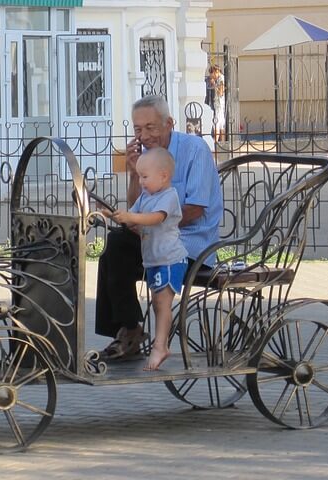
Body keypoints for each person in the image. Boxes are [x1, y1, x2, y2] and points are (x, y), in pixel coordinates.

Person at [95, 95, 222, 361]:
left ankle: (129, 331)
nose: (145, 136)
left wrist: (148, 224)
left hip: (191, 245)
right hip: (158, 240)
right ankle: (129, 328)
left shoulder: (194, 149)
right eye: (138, 129)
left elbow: (196, 209)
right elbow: (137, 207)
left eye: (151, 127)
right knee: (113, 249)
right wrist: (133, 174)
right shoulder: (149, 158)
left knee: (119, 246)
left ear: (169, 124)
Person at [105, 147, 188, 370]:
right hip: (153, 260)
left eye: (144, 177)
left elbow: (154, 219)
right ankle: (159, 344)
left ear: (163, 175)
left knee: (162, 303)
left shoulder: (169, 197)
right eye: (139, 176)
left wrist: (131, 216)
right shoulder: (146, 196)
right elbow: (131, 221)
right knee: (157, 305)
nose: (141, 182)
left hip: (170, 260)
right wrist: (108, 213)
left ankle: (160, 346)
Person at [208, 65, 225, 143]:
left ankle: (215, 142)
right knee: (221, 123)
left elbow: (220, 93)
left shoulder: (221, 79)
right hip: (219, 104)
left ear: (215, 72)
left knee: (217, 122)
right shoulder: (220, 78)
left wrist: (214, 84)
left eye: (212, 74)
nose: (212, 76)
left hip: (219, 105)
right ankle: (222, 142)